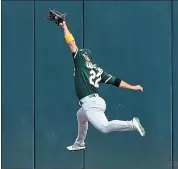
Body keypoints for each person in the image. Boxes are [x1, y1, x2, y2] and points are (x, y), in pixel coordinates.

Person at [58, 20, 145, 151]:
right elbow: (117, 82)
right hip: (95, 101)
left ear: (85, 56)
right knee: (80, 115)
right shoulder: (98, 70)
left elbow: (71, 42)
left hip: (90, 103)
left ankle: (131, 124)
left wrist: (64, 26)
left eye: (81, 53)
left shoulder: (81, 60)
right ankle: (80, 142)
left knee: (105, 127)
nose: (79, 53)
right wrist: (133, 87)